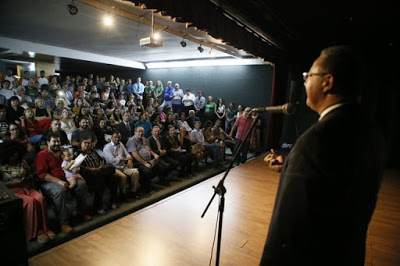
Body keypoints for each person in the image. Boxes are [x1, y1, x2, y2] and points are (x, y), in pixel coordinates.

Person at [260, 46, 386, 266]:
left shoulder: (315, 141)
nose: (305, 81)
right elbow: (334, 185)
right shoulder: (371, 132)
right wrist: (290, 165)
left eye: (309, 76)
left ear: (327, 82)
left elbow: (287, 231)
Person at [0, 140, 55, 243]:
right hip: (12, 191)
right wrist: (13, 183)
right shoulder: (1, 166)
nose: (14, 158)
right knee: (30, 202)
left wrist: (28, 178)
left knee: (40, 198)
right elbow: (1, 185)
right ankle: (35, 232)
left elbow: (31, 174)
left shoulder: (22, 162)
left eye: (16, 155)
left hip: (27, 187)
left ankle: (45, 229)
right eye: (12, 156)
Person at [35, 132, 91, 234]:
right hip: (49, 181)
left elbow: (69, 166)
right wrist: (59, 181)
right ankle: (63, 223)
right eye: (54, 141)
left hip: (66, 178)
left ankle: (81, 212)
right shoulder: (42, 155)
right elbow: (42, 175)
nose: (57, 143)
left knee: (81, 185)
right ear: (48, 142)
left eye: (58, 141)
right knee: (60, 191)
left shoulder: (63, 152)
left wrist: (74, 169)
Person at [103, 131, 141, 201]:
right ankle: (123, 195)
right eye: (115, 137)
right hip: (113, 168)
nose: (117, 139)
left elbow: (127, 154)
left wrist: (129, 160)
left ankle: (133, 191)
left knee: (136, 173)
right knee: (123, 177)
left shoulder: (121, 144)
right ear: (111, 138)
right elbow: (112, 160)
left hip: (122, 166)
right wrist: (125, 159)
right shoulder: (107, 147)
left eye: (118, 137)